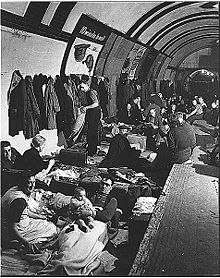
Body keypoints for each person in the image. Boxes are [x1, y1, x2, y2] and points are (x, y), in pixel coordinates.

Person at [1, 170, 58, 252]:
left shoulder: (15, 189)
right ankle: (14, 243)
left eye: (34, 182)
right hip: (12, 230)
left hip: (14, 223)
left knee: (45, 223)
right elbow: (12, 228)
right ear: (21, 183)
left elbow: (23, 213)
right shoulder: (19, 201)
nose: (32, 186)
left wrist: (40, 216)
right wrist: (26, 243)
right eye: (29, 183)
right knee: (52, 229)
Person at [79, 80, 102, 156]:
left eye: (82, 87)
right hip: (93, 113)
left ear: (87, 85)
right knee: (91, 131)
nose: (82, 89)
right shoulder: (89, 92)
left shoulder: (91, 92)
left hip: (94, 113)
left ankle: (92, 150)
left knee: (92, 131)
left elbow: (95, 104)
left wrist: (86, 108)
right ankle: (91, 149)